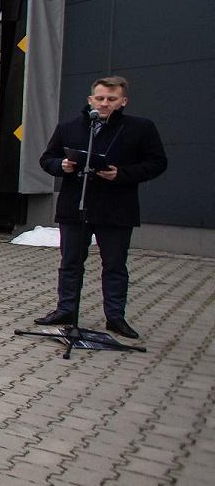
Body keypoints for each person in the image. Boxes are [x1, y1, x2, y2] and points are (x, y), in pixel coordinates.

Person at [34, 76, 167, 338]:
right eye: (100, 98)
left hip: (116, 209)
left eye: (111, 99)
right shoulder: (69, 127)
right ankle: (66, 309)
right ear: (90, 100)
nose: (105, 103)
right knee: (70, 263)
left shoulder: (140, 128)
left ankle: (115, 317)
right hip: (76, 206)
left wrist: (122, 174)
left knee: (115, 265)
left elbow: (157, 162)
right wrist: (61, 165)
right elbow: (47, 158)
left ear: (123, 101)